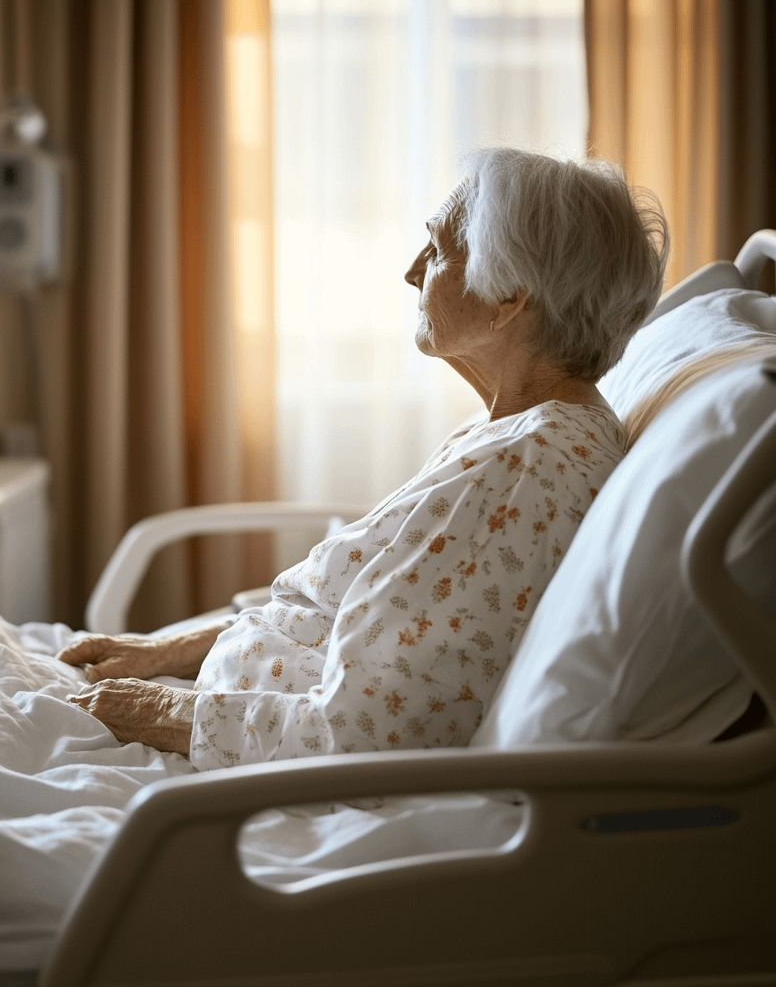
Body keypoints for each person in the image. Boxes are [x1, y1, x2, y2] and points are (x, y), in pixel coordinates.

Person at [58, 147, 670, 768]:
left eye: (436, 249)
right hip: (234, 700)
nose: (411, 271)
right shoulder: (520, 434)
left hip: (250, 761)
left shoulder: (524, 469)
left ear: (509, 293)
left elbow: (368, 735)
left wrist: (158, 710)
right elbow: (358, 616)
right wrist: (165, 655)